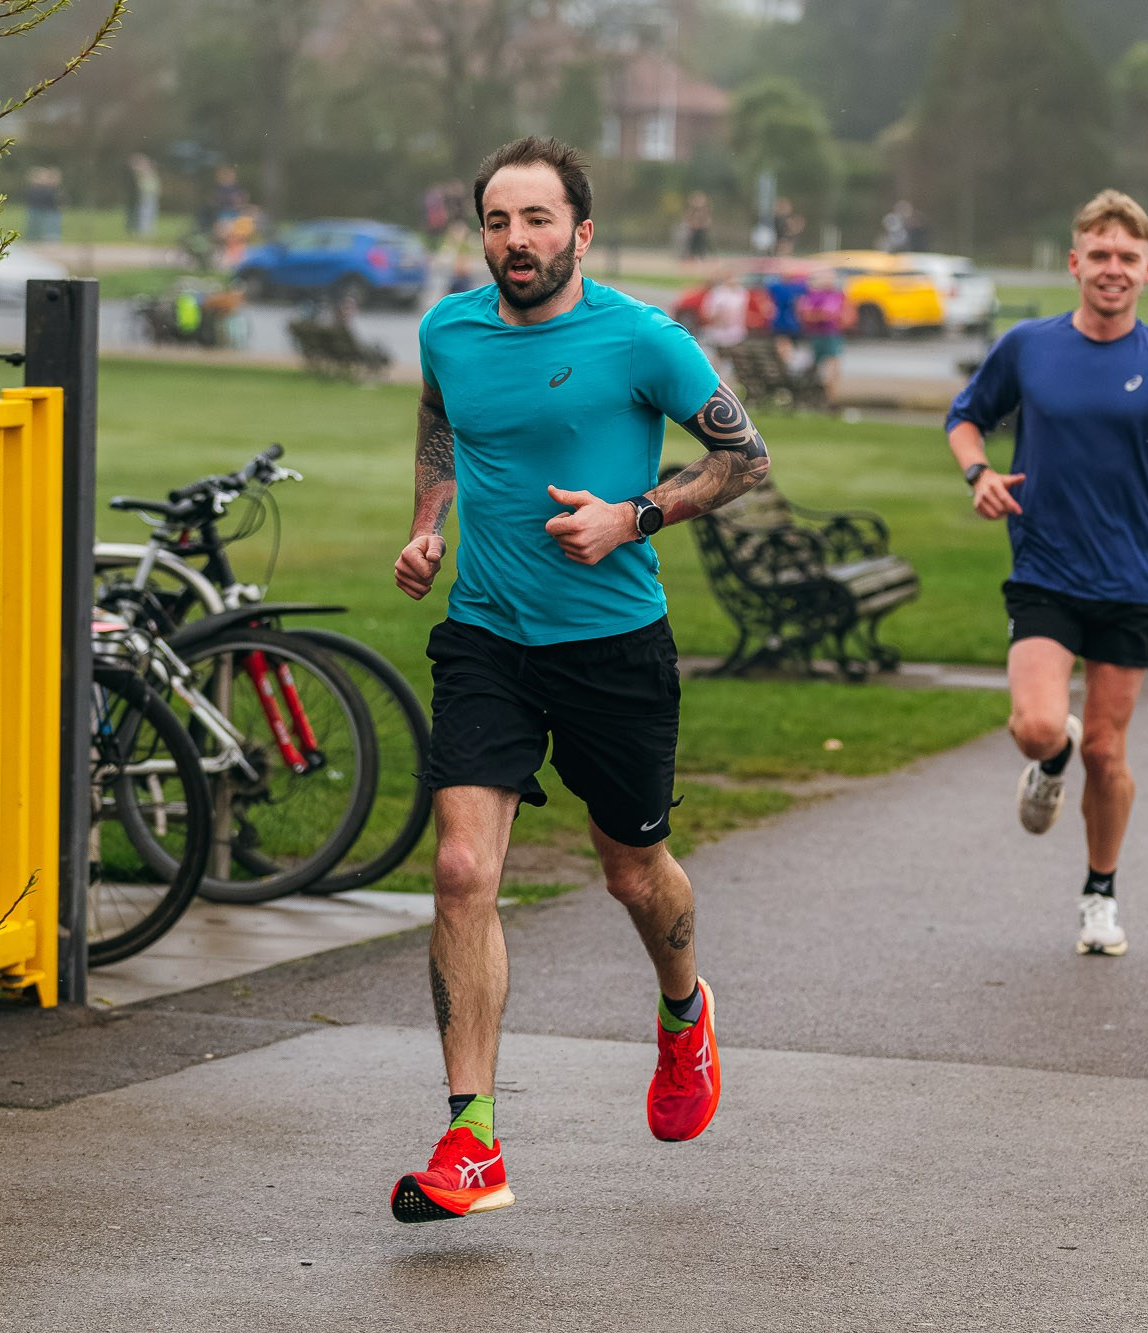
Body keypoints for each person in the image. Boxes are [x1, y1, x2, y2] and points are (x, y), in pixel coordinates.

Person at [390, 135, 772, 1224]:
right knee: (463, 868)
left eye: (539, 219)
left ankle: (682, 1009)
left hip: (614, 649)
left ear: (581, 232)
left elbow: (745, 462)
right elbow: (437, 422)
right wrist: (428, 527)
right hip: (487, 641)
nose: (517, 240)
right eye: (499, 221)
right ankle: (470, 1138)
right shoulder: (447, 331)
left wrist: (634, 515)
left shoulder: (643, 339)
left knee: (631, 869)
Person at [944, 189, 1148, 958]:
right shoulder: (1030, 346)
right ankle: (1051, 757)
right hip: (1045, 565)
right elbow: (966, 415)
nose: (1112, 269)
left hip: (1132, 577)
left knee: (1109, 749)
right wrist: (978, 474)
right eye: (1098, 255)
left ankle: (1099, 893)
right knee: (1038, 725)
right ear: (1075, 263)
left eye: (1127, 258)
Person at [795, 267, 847, 407]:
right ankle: (829, 401)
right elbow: (821, 314)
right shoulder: (823, 295)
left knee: (829, 368)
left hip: (824, 334)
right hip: (824, 335)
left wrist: (813, 315)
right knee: (827, 368)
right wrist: (818, 315)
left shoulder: (823, 296)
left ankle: (828, 399)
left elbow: (811, 313)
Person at [700, 268, 758, 369]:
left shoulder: (742, 293)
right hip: (718, 332)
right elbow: (707, 313)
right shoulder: (717, 293)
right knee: (715, 361)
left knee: (731, 362)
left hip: (735, 333)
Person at [126, 153, 160, 238]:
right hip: (145, 194)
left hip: (151, 194)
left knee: (150, 212)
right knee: (144, 212)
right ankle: (143, 231)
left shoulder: (149, 172)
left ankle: (147, 231)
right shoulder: (142, 172)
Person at [680, 191, 713, 267]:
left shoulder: (705, 210)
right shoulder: (691, 210)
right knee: (691, 246)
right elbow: (686, 218)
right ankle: (690, 260)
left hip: (701, 230)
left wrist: (703, 225)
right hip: (693, 230)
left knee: (702, 246)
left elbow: (708, 220)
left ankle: (702, 260)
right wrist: (691, 225)